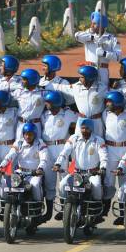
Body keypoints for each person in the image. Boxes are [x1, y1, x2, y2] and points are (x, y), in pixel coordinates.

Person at [53, 119, 108, 222]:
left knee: (96, 186)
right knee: (62, 184)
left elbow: (103, 156)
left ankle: (96, 211)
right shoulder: (74, 138)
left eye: (86, 128)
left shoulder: (98, 140)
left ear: (91, 129)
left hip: (92, 173)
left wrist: (103, 168)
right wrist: (58, 163)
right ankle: (65, 208)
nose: (84, 130)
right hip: (76, 172)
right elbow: (65, 152)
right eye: (82, 128)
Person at [0, 123, 49, 223]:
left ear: (34, 134)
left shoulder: (40, 144)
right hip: (20, 172)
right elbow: (10, 155)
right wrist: (2, 166)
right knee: (4, 181)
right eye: (25, 134)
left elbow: (44, 159)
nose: (27, 136)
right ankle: (4, 205)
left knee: (35, 184)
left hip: (34, 173)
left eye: (30, 134)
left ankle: (37, 207)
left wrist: (40, 169)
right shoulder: (19, 143)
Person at [40, 90, 76, 222]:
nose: (46, 104)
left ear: (56, 103)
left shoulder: (68, 114)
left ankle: (64, 208)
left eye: (48, 102)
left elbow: (82, 120)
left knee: (63, 180)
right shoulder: (44, 115)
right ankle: (48, 212)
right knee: (49, 182)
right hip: (47, 148)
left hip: (61, 147)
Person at [102, 91, 126, 220]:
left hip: (125, 149)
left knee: (124, 182)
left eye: (110, 102)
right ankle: (105, 209)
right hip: (110, 149)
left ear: (117, 103)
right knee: (108, 181)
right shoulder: (105, 114)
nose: (107, 104)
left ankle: (123, 213)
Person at [47, 65, 108, 138]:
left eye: (82, 77)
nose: (79, 79)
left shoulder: (102, 88)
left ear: (89, 78)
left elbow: (113, 95)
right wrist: (48, 85)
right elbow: (62, 88)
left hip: (97, 122)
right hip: (82, 121)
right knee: (79, 141)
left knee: (97, 143)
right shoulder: (76, 87)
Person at [74, 12, 121, 86]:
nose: (92, 25)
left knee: (102, 90)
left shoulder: (111, 39)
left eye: (95, 23)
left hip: (102, 70)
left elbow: (118, 57)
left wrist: (104, 53)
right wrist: (92, 37)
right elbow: (77, 36)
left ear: (101, 26)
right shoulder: (88, 34)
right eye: (92, 23)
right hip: (89, 68)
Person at [12, 69, 46, 139]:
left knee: (36, 145)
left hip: (36, 124)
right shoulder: (19, 91)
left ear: (31, 80)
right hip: (21, 123)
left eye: (24, 79)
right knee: (19, 145)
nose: (22, 81)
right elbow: (7, 99)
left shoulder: (43, 93)